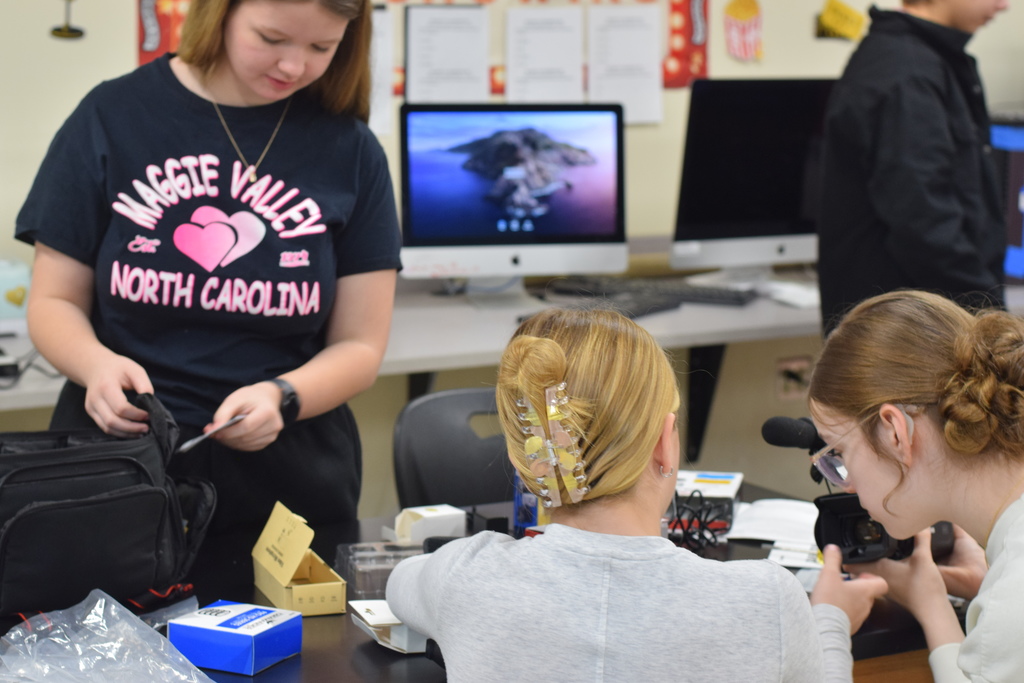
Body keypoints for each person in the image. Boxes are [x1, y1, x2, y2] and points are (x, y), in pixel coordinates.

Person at [15, 0, 401, 536]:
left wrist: (283, 396)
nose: (293, 66)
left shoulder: (352, 150)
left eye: (321, 47)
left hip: (286, 476)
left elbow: (360, 345)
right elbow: (53, 301)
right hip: (120, 463)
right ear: (220, 12)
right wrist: (94, 366)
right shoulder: (113, 116)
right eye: (271, 38)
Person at [386, 307, 886, 682]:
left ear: (525, 459)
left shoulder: (464, 576)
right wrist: (830, 618)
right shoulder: (765, 601)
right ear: (665, 444)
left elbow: (399, 586)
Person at [808, 289, 1024, 682]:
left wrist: (931, 604)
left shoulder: (1011, 605)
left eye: (839, 453)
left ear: (895, 432)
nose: (847, 485)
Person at [817, 0, 1009, 334]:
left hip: (917, 321)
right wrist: (993, 319)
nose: (1003, 5)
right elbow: (926, 224)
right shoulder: (906, 73)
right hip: (907, 336)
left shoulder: (923, 60)